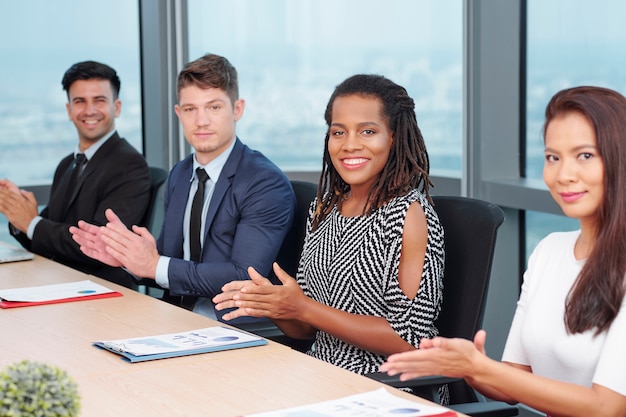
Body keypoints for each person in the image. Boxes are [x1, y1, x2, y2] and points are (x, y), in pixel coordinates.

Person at [381, 86, 626, 416]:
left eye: (584, 155)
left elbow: (607, 408)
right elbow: (512, 381)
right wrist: (469, 365)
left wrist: (483, 370)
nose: (564, 175)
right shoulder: (549, 251)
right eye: (553, 157)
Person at [213, 74, 445, 383]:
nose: (350, 144)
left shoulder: (408, 214)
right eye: (339, 132)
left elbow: (408, 337)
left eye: (368, 131)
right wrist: (273, 304)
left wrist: (304, 308)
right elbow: (306, 328)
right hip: (317, 375)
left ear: (393, 136)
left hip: (384, 387)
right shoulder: (324, 208)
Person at [70, 53, 295, 325]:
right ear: (179, 113)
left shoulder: (264, 182)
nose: (201, 121)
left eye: (213, 107)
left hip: (236, 329)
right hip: (176, 319)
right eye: (190, 109)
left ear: (237, 109)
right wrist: (128, 259)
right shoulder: (181, 173)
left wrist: (154, 265)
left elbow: (244, 277)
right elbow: (166, 261)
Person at [0, 60, 150, 289]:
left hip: (104, 292)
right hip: (61, 283)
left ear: (117, 107)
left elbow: (97, 244)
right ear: (69, 110)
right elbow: (47, 234)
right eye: (80, 101)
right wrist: (19, 215)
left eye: (99, 100)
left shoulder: (130, 165)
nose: (89, 110)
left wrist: (32, 222)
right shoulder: (67, 165)